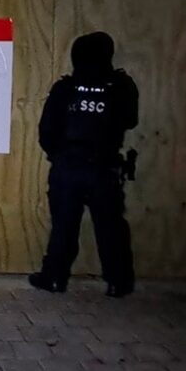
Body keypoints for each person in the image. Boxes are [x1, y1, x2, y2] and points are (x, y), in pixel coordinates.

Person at [31, 31, 139, 298]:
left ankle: (54, 278)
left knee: (64, 226)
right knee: (109, 226)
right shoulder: (120, 86)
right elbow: (130, 120)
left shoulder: (65, 88)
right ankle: (117, 283)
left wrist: (59, 155)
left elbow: (46, 131)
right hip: (103, 166)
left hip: (68, 166)